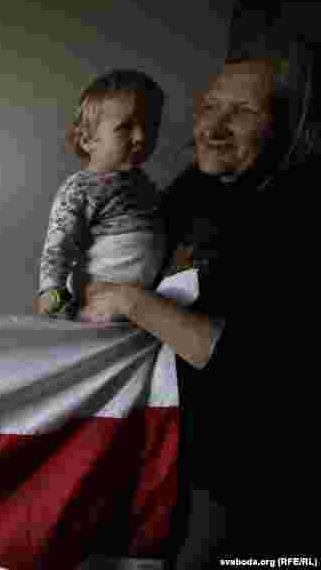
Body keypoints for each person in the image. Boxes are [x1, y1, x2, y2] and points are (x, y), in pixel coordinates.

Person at [79, 58, 315, 564]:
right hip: (168, 450)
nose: (214, 127)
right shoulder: (192, 189)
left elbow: (251, 361)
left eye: (243, 112)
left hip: (252, 472)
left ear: (290, 125)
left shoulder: (299, 209)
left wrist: (131, 301)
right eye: (209, 107)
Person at [36, 70, 166, 318]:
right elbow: (59, 246)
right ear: (86, 140)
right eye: (125, 127)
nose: (140, 137)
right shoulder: (81, 188)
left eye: (150, 126)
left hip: (141, 309)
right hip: (96, 305)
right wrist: (51, 291)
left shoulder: (145, 185)